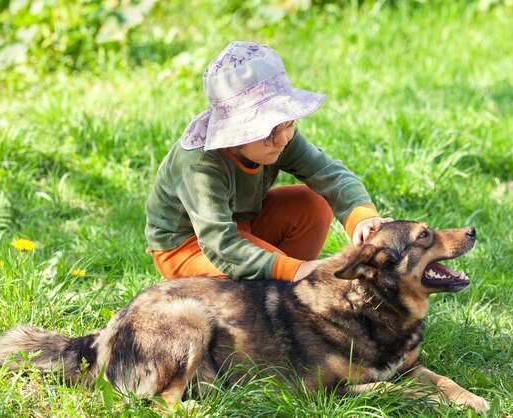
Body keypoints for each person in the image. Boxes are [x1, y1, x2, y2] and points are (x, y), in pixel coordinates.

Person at [145, 41, 389, 282]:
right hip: (189, 244)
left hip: (243, 222)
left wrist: (362, 216)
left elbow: (328, 172)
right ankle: (284, 286)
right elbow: (220, 243)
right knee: (277, 275)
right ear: (236, 134)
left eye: (289, 124)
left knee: (313, 203)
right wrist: (295, 269)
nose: (283, 139)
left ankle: (286, 288)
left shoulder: (279, 139)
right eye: (270, 132)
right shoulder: (200, 166)